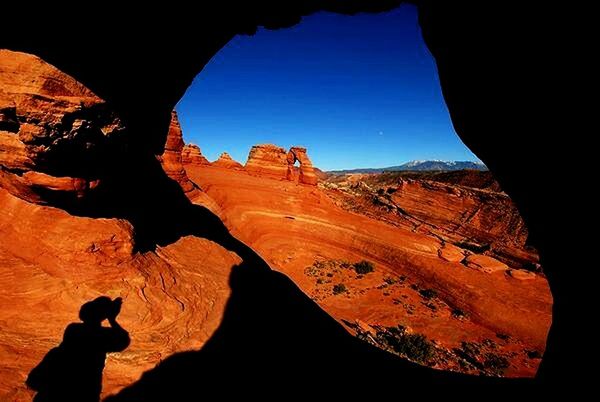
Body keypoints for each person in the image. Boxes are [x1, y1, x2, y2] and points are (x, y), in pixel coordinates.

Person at [26, 296, 130, 402]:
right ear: (103, 314)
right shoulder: (97, 334)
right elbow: (123, 341)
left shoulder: (74, 329)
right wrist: (112, 319)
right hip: (82, 394)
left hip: (54, 393)